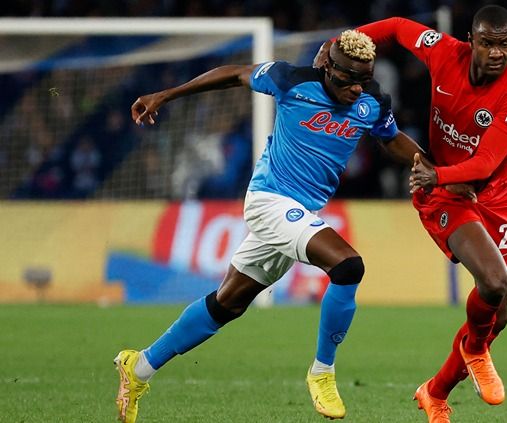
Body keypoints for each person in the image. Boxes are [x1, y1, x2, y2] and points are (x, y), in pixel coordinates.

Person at [114, 30, 429, 422]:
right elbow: (234, 74)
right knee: (348, 266)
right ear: (326, 66)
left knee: (227, 304)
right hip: (269, 201)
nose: (354, 89)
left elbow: (392, 139)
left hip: (301, 214)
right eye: (346, 79)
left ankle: (139, 367)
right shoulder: (291, 80)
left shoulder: (372, 101)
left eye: (362, 80)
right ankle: (323, 372)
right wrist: (166, 95)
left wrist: (434, 168)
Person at [319, 6, 507, 422]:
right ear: (471, 40)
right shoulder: (444, 53)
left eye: (504, 45)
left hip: (494, 195)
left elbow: (488, 162)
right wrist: (339, 43)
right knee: (493, 281)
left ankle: (434, 393)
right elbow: (398, 28)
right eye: (487, 43)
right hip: (444, 195)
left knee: (499, 312)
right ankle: (473, 351)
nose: (496, 53)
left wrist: (437, 172)